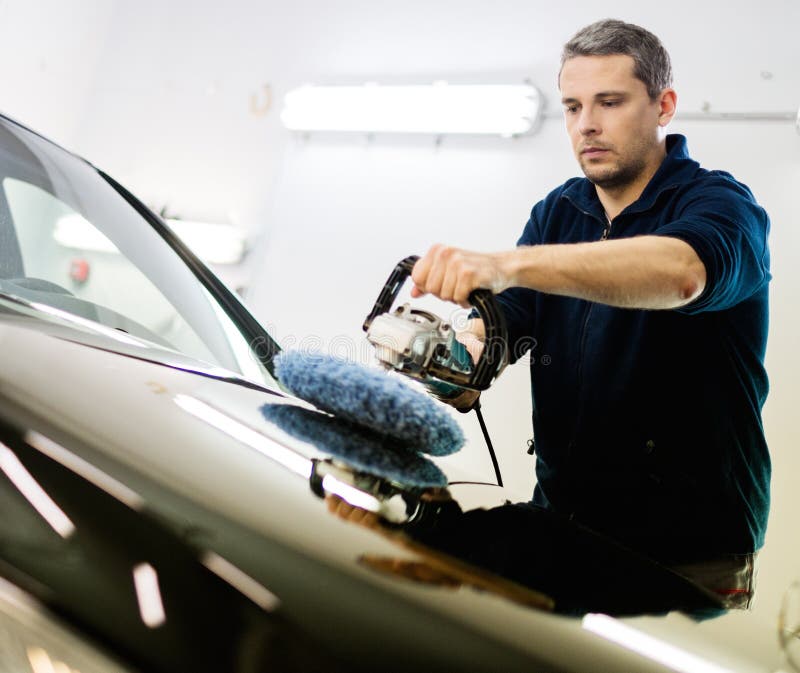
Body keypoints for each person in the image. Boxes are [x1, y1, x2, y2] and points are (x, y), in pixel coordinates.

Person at [410, 18, 771, 609]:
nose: (587, 125)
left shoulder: (723, 206)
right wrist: (459, 359)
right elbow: (505, 320)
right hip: (563, 522)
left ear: (664, 106)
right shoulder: (559, 212)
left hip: (686, 555)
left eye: (609, 102)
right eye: (573, 107)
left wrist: (507, 264)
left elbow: (682, 274)